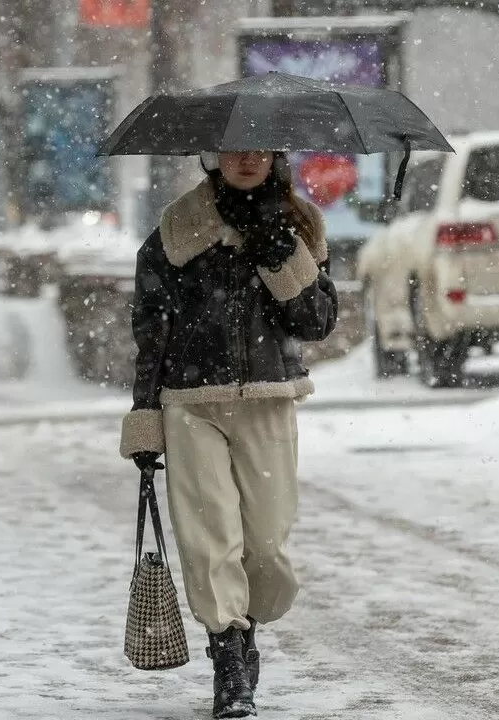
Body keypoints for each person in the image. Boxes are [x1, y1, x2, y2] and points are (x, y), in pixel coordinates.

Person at [117, 150, 337, 719]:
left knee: (266, 545)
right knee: (209, 538)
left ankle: (249, 627)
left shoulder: (301, 223)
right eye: (234, 147)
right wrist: (146, 420)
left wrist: (283, 260)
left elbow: (317, 323)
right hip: (191, 404)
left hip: (269, 401)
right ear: (212, 157)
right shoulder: (175, 230)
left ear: (274, 156)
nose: (245, 158)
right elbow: (151, 332)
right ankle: (229, 658)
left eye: (258, 148)